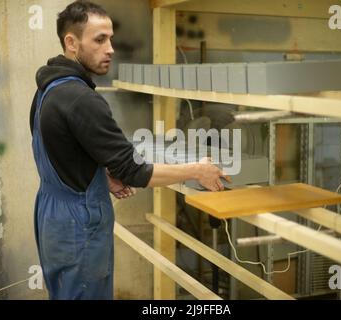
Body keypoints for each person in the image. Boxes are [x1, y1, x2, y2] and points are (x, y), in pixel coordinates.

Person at [30, 0, 228, 300]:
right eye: (99, 40)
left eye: (110, 38)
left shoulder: (48, 89)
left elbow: (59, 147)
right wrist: (197, 170)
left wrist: (97, 175)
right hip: (78, 225)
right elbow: (133, 170)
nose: (110, 48)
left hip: (52, 216)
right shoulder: (81, 99)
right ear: (71, 42)